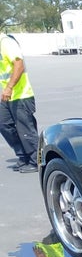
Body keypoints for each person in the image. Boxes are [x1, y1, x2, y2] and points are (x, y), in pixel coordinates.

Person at [0, 32, 38, 173]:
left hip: (21, 94)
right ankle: (23, 155)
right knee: (4, 125)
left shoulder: (6, 42)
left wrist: (9, 87)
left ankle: (35, 160)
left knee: (26, 129)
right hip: (7, 95)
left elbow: (19, 64)